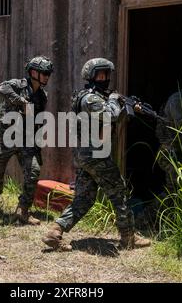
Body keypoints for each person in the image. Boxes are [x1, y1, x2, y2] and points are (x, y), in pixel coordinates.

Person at [42, 58, 152, 251]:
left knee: (84, 199)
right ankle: (128, 237)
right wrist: (114, 101)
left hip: (86, 156)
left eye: (107, 75)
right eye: (100, 74)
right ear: (91, 76)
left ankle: (55, 231)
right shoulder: (90, 98)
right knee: (119, 192)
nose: (105, 78)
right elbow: (109, 116)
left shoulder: (95, 97)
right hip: (95, 155)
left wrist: (129, 106)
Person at [0, 56, 53, 224]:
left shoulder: (42, 96)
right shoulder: (17, 85)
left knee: (33, 172)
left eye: (48, 74)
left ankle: (23, 210)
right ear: (33, 72)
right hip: (5, 138)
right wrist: (22, 102)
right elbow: (2, 89)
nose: (47, 76)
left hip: (26, 140)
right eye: (44, 73)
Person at [155, 66, 182, 192]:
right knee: (174, 192)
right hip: (171, 152)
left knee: (177, 191)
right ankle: (148, 213)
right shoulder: (178, 99)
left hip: (180, 152)